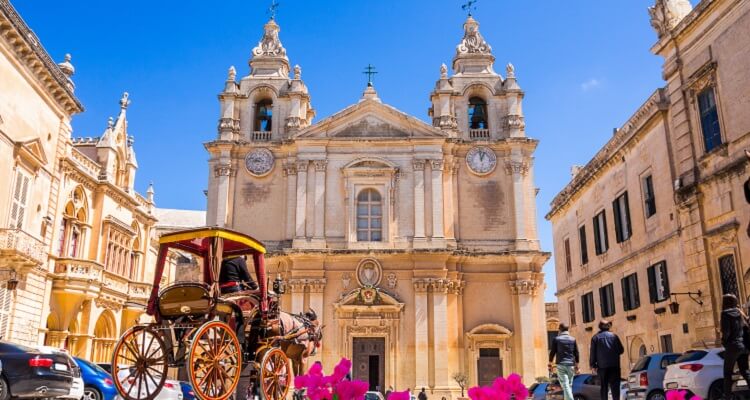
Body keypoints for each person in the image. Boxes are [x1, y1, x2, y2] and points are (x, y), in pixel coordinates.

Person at [721, 293, 750, 399]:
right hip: (744, 346)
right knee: (745, 371)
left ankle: (727, 396)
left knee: (727, 373)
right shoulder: (739, 313)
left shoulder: (725, 313)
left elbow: (726, 332)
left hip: (733, 346)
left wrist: (723, 341)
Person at [590, 319, 624, 400]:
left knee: (604, 387)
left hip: (602, 367)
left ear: (600, 327)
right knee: (615, 387)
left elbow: (593, 353)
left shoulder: (595, 338)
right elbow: (621, 350)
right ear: (608, 327)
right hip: (614, 366)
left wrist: (592, 365)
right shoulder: (614, 336)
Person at [549, 322, 579, 400]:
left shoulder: (556, 339)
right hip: (571, 365)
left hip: (561, 364)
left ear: (560, 330)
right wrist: (577, 364)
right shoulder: (573, 339)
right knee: (569, 385)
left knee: (565, 385)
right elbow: (576, 352)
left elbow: (552, 352)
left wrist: (550, 363)